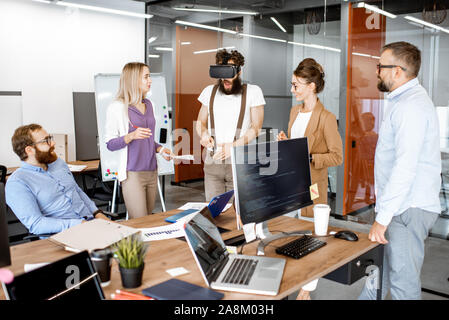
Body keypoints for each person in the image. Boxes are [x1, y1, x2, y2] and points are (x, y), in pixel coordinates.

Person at [359, 41, 440, 300]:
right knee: (378, 275)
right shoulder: (405, 101)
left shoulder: (410, 107)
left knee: (403, 285)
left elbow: (405, 166)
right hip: (400, 207)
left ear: (397, 71)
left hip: (407, 209)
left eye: (380, 66)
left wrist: (382, 218)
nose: (376, 71)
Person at [277, 58, 343, 300]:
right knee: (289, 234)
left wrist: (311, 156)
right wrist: (287, 145)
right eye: (292, 84)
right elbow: (297, 146)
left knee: (312, 234)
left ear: (312, 86)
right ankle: (289, 280)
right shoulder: (294, 112)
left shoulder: (326, 117)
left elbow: (337, 156)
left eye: (296, 85)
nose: (292, 89)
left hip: (313, 186)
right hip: (290, 184)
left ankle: (307, 287)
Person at [5, 124, 109, 236]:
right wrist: (79, 224)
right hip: (65, 235)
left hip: (93, 225)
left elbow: (76, 190)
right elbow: (36, 224)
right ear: (29, 150)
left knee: (127, 243)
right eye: (46, 141)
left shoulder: (58, 163)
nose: (53, 143)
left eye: (50, 138)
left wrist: (98, 213)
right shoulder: (18, 182)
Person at [105, 62, 173, 219]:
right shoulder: (117, 107)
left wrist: (161, 149)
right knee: (140, 221)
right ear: (134, 80)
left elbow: (148, 139)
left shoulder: (149, 104)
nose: (150, 80)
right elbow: (110, 144)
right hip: (132, 174)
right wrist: (131, 136)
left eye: (149, 76)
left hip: (151, 171)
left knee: (148, 220)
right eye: (146, 77)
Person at [196, 49, 265, 201]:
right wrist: (204, 134)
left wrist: (233, 146)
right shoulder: (209, 92)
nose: (225, 79)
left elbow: (256, 127)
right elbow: (200, 122)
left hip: (241, 161)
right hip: (213, 161)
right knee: (215, 211)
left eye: (229, 72)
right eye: (221, 72)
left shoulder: (253, 92)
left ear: (239, 71)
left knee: (237, 213)